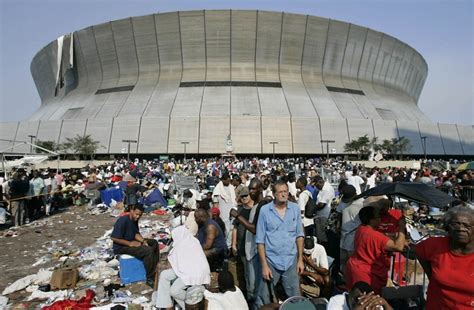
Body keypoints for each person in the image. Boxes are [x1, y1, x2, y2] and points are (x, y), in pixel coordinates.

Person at [255, 180, 305, 307]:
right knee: (264, 298)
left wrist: (300, 260)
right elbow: (260, 241)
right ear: (274, 194)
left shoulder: (295, 209)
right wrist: (264, 266)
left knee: (295, 298)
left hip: (290, 260)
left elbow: (299, 235)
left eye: (286, 191)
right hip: (271, 260)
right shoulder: (265, 211)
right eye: (280, 192)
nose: (284, 194)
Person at [415, 206, 474, 309]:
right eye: (455, 224)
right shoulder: (434, 245)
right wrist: (432, 275)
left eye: (467, 226)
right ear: (447, 228)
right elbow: (418, 252)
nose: (460, 229)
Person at [345, 206, 406, 294]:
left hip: (356, 269)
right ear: (371, 220)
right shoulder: (374, 235)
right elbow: (399, 246)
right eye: (378, 217)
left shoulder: (361, 228)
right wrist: (401, 227)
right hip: (367, 275)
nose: (380, 218)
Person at [154, 226, 210, 309]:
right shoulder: (183, 242)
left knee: (174, 291)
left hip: (195, 273)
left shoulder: (192, 242)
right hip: (185, 270)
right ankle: (167, 304)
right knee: (164, 275)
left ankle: (193, 304)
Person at [110, 205, 159, 282]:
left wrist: (143, 241)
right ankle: (150, 275)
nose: (138, 216)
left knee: (153, 243)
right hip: (121, 247)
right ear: (131, 210)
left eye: (140, 215)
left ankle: (155, 266)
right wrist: (130, 243)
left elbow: (135, 234)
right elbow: (114, 237)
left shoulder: (134, 220)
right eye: (136, 214)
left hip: (131, 241)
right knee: (147, 250)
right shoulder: (122, 221)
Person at [328, 281, 393, 310]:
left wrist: (385, 304)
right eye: (356, 299)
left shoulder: (372, 303)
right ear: (349, 293)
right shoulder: (337, 301)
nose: (360, 302)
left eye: (364, 300)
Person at [314, 176, 335, 247]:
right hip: (321, 215)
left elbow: (321, 205)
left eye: (316, 185)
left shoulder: (326, 189)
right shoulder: (323, 189)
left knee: (323, 236)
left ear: (320, 182)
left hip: (324, 215)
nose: (316, 187)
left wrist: (312, 209)